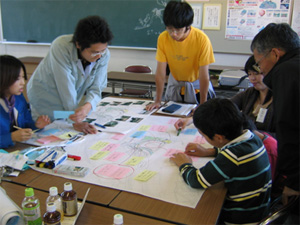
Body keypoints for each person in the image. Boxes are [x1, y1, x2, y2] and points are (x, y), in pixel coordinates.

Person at [170, 98, 272, 224]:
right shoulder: (251, 137)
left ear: (218, 137)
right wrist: (209, 152)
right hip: (259, 211)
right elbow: (236, 156)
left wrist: (184, 164)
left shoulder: (232, 156)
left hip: (241, 219)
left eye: (203, 136)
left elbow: (197, 180)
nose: (203, 138)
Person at [27, 15, 113, 134]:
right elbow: (65, 86)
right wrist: (76, 121)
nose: (99, 56)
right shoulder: (61, 47)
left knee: (66, 130)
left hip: (68, 103)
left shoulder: (103, 54)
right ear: (78, 44)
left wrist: (88, 106)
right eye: (94, 52)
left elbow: (97, 87)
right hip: (46, 99)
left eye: (103, 50)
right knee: (45, 133)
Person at [251, 23, 299, 223]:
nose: (260, 69)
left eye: (258, 63)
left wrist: (294, 181)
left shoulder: (286, 71)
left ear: (275, 54)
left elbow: (290, 130)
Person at [146, 1, 215, 111]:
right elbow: (160, 73)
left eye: (178, 30)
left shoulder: (201, 39)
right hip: (175, 89)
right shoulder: (163, 38)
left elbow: (204, 76)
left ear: (188, 26)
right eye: (169, 28)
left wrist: (203, 104)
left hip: (197, 90)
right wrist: (158, 100)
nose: (173, 34)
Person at [0, 55, 50, 148]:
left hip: (17, 148)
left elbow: (25, 124)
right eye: (17, 79)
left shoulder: (18, 98)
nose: (23, 82)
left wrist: (36, 125)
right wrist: (11, 137)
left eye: (23, 77)